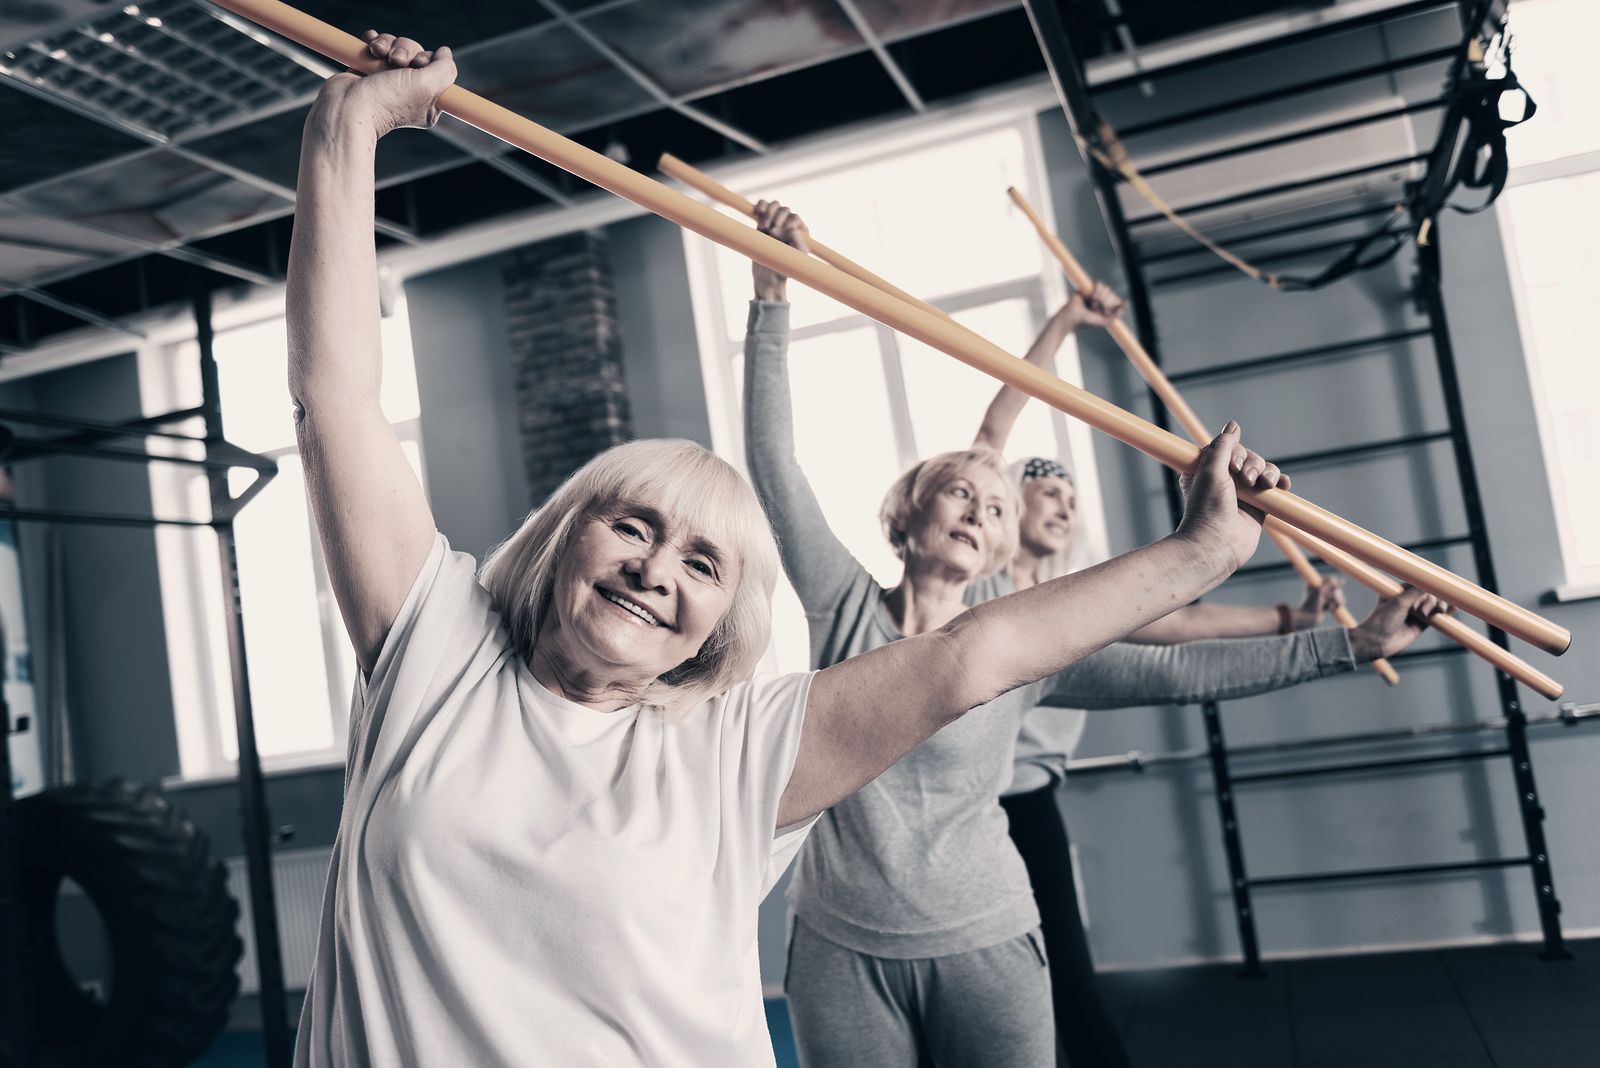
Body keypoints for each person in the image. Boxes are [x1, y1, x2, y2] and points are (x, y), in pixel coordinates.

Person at [286, 34, 1317, 1068]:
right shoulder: (438, 657)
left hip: (984, 926)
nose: (654, 568)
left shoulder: (737, 746)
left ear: (720, 629)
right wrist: (348, 129)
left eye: (702, 563)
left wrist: (1216, 560)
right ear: (564, 538)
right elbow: (339, 402)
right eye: (631, 526)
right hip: (850, 944)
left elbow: (982, 657)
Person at [741, 200, 1445, 1067]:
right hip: (839, 946)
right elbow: (775, 465)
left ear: (1003, 545)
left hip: (985, 937)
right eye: (960, 491)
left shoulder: (1021, 642)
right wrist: (771, 295)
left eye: (995, 506)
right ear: (908, 512)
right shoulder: (844, 608)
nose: (979, 505)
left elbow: (1183, 671)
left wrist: (1353, 643)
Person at [967, 287, 1348, 1067]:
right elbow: (999, 420)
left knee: (1068, 978)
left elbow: (1178, 626)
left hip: (1029, 799)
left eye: (1073, 498)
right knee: (976, 982)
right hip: (960, 801)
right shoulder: (984, 578)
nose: (1064, 507)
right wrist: (1066, 322)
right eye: (1048, 492)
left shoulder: (1088, 598)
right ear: (1011, 502)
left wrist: (1288, 617)